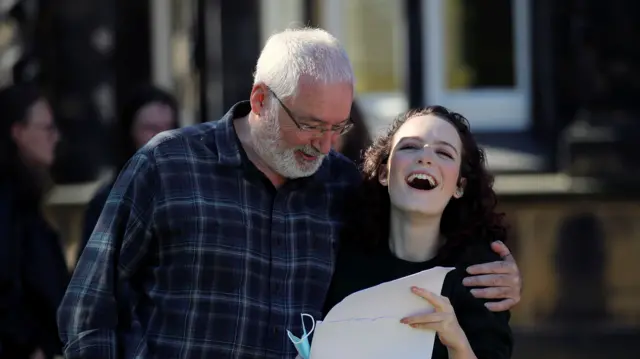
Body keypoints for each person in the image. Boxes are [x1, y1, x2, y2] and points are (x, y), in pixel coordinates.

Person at [58, 27, 521, 359]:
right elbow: (88, 306)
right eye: (310, 125)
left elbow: (420, 222)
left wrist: (497, 271)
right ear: (260, 100)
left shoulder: (342, 185)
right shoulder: (167, 166)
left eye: (338, 127)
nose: (324, 144)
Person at [324, 106, 513, 358]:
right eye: (409, 147)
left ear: (459, 186)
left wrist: (456, 341)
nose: (425, 158)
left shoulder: (481, 277)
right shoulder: (340, 255)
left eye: (444, 152)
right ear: (383, 172)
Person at [0, 83, 69, 359]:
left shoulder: (24, 196)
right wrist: (28, 344)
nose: (56, 136)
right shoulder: (8, 200)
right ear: (18, 132)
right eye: (47, 128)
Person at [77, 85, 179, 260]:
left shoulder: (192, 195)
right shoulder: (108, 204)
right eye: (151, 128)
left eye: (169, 128)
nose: (163, 137)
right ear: (129, 133)